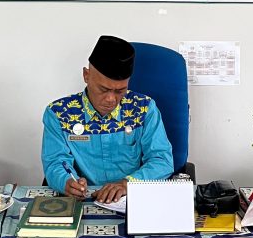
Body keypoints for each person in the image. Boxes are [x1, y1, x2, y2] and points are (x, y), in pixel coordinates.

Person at [41, 35, 173, 204]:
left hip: (132, 198)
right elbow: (56, 162)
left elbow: (162, 160)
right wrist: (66, 182)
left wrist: (127, 184)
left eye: (120, 91)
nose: (111, 99)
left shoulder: (144, 108)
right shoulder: (59, 113)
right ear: (86, 75)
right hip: (84, 199)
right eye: (103, 89)